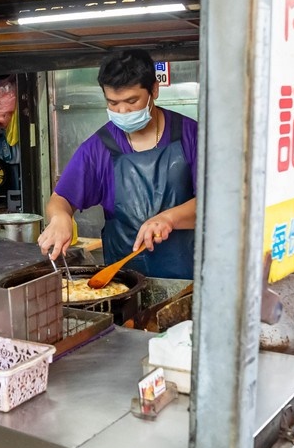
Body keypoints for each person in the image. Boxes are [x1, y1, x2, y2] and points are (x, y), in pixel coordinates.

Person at [38, 49, 198, 279]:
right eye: (113, 103)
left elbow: (217, 202)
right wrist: (60, 217)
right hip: (124, 283)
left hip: (189, 281)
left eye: (132, 101)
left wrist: (168, 219)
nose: (122, 110)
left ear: (154, 90)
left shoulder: (190, 135)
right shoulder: (98, 148)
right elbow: (60, 199)